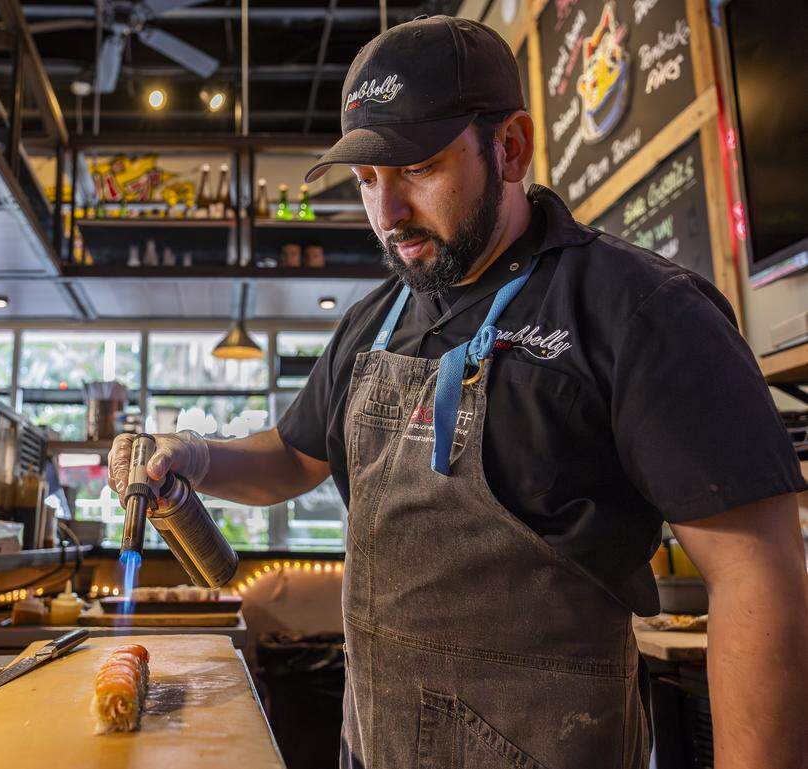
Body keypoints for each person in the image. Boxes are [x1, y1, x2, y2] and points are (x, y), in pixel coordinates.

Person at [110, 15, 807, 769]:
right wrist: (197, 456)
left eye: (416, 168)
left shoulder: (637, 311)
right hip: (372, 748)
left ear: (510, 147)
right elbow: (291, 457)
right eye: (368, 181)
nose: (388, 215)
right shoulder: (374, 323)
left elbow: (758, 576)